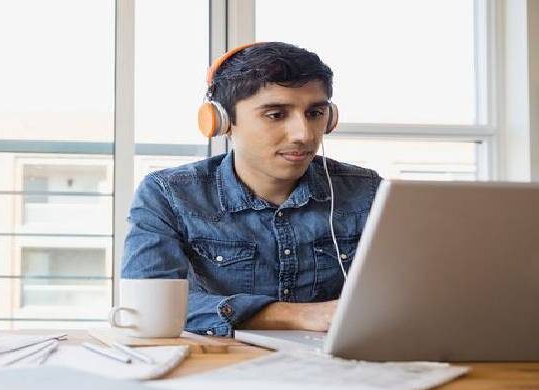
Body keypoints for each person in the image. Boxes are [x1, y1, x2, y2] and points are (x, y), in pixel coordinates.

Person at [121, 42, 382, 337]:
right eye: (275, 114)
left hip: (339, 368)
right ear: (221, 121)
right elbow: (147, 308)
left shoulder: (368, 191)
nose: (304, 134)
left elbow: (405, 296)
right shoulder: (168, 194)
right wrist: (295, 316)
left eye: (315, 113)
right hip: (219, 366)